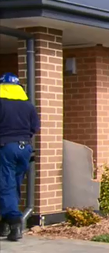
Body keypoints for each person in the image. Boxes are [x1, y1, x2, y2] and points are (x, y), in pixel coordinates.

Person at [0, 72, 40, 241]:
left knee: (5, 184)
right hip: (24, 148)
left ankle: (15, 222)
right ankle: (5, 223)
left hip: (5, 147)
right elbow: (35, 128)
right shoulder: (28, 106)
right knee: (14, 184)